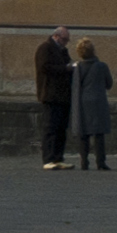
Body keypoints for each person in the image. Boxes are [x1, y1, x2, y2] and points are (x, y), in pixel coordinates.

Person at [70, 38, 116, 172]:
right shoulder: (102, 66)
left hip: (83, 101)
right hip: (98, 101)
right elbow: (109, 84)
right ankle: (101, 162)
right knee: (99, 133)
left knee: (83, 133)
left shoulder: (77, 67)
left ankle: (84, 162)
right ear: (93, 51)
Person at [35, 27, 75, 170]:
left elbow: (67, 64)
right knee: (50, 127)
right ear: (56, 36)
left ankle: (58, 157)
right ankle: (48, 159)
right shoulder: (45, 48)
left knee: (61, 129)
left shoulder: (63, 50)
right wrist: (66, 68)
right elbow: (45, 67)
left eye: (67, 40)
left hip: (63, 95)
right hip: (50, 94)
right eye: (64, 40)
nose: (66, 43)